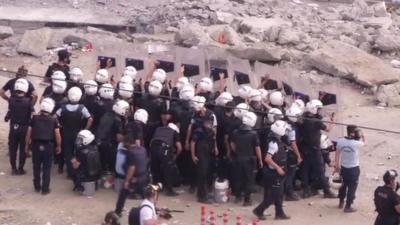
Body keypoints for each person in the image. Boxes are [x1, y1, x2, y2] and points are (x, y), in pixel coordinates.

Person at [253, 120, 290, 221]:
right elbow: (267, 158)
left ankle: (279, 213)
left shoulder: (278, 140)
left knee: (279, 194)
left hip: (279, 172)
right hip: (274, 173)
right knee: (273, 195)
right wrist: (278, 168)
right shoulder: (274, 143)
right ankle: (259, 210)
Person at [299, 99, 336, 198]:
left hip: (304, 147)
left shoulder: (303, 118)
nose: (319, 111)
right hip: (315, 149)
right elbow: (327, 129)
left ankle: (306, 190)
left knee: (305, 169)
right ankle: (326, 191)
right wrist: (333, 122)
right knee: (320, 170)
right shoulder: (316, 121)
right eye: (318, 109)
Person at [25, 98, 61, 194]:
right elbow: (57, 134)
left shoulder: (35, 118)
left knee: (36, 167)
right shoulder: (54, 120)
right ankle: (45, 189)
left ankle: (37, 186)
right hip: (48, 146)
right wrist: (59, 146)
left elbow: (29, 132)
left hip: (36, 145)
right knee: (46, 168)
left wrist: (26, 145)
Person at [56, 87, 93, 176]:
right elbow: (90, 119)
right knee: (76, 152)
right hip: (77, 133)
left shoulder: (63, 107)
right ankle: (73, 171)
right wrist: (85, 129)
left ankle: (64, 169)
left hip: (65, 133)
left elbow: (55, 116)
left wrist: (58, 124)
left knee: (67, 152)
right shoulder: (82, 108)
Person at [230, 111, 263, 206]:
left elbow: (232, 144)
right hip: (249, 159)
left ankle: (238, 196)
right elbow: (257, 148)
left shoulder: (235, 132)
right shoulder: (253, 134)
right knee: (249, 179)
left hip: (238, 158)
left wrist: (237, 151)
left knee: (238, 177)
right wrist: (260, 160)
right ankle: (247, 199)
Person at [190, 98, 218, 203]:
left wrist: (215, 147)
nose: (210, 125)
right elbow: (193, 142)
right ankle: (202, 196)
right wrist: (193, 155)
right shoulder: (199, 131)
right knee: (202, 172)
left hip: (208, 150)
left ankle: (205, 193)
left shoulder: (210, 130)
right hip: (201, 151)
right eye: (209, 123)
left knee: (207, 172)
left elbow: (214, 137)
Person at [115, 135, 149, 216]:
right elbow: (146, 161)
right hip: (144, 177)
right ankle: (151, 211)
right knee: (145, 196)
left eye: (124, 143)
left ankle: (118, 211)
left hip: (134, 178)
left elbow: (131, 168)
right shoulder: (143, 149)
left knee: (123, 194)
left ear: (127, 143)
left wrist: (127, 181)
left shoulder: (130, 152)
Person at [335, 125, 366, 212]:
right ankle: (348, 206)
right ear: (353, 133)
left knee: (342, 185)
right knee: (352, 187)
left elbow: (337, 154)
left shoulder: (340, 141)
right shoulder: (356, 143)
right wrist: (362, 135)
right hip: (353, 169)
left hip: (343, 168)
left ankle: (341, 202)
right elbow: (365, 142)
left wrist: (337, 166)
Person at [6, 78, 33, 175]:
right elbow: (32, 114)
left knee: (13, 148)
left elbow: (10, 112)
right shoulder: (28, 101)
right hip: (24, 128)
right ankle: (20, 168)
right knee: (23, 148)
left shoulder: (11, 100)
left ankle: (13, 168)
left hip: (13, 127)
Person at [150, 122, 182, 196]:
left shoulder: (158, 129)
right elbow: (179, 148)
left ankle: (156, 189)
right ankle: (169, 190)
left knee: (156, 169)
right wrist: (175, 156)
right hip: (164, 148)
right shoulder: (174, 132)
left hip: (153, 147)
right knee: (168, 169)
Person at [96, 100, 129, 173]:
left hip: (100, 140)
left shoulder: (106, 114)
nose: (127, 112)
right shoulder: (117, 120)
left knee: (102, 161)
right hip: (109, 143)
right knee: (112, 163)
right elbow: (119, 137)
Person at [283, 105, 303, 201]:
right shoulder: (292, 128)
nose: (300, 117)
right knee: (290, 174)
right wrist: (298, 155)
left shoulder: (284, 123)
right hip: (290, 153)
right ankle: (289, 193)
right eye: (298, 116)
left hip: (283, 151)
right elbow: (293, 143)